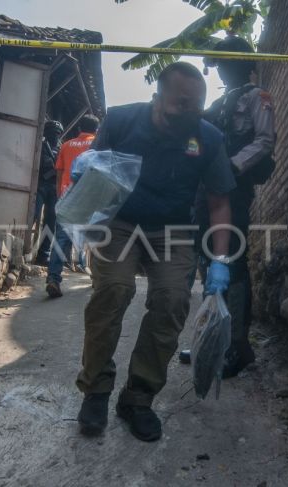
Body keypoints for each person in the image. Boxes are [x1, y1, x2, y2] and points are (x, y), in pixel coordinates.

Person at [75, 62, 235, 442]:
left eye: (196, 106)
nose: (189, 114)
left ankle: (138, 397)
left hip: (173, 229)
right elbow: (94, 171)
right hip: (119, 221)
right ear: (157, 96)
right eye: (181, 104)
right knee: (113, 290)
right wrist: (82, 194)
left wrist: (220, 261)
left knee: (174, 299)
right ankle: (96, 389)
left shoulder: (207, 138)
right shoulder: (121, 121)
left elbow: (219, 202)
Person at [194, 36, 277, 378]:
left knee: (232, 262)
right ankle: (209, 343)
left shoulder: (258, 96)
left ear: (243, 63)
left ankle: (237, 348)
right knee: (206, 259)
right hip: (206, 190)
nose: (223, 70)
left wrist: (233, 166)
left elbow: (265, 140)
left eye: (227, 63)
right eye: (220, 65)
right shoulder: (219, 102)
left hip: (235, 189)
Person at [45, 114, 99, 298]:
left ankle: (53, 278)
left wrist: (61, 195)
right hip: (90, 197)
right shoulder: (98, 144)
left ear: (79, 129)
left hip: (68, 196)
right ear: (96, 130)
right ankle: (98, 279)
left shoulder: (66, 145)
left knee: (61, 239)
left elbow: (59, 172)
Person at [33, 120, 64, 265]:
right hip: (40, 184)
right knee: (33, 216)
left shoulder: (61, 148)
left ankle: (43, 255)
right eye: (53, 132)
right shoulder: (40, 144)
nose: (55, 135)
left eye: (57, 133)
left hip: (54, 187)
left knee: (51, 222)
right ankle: (23, 247)